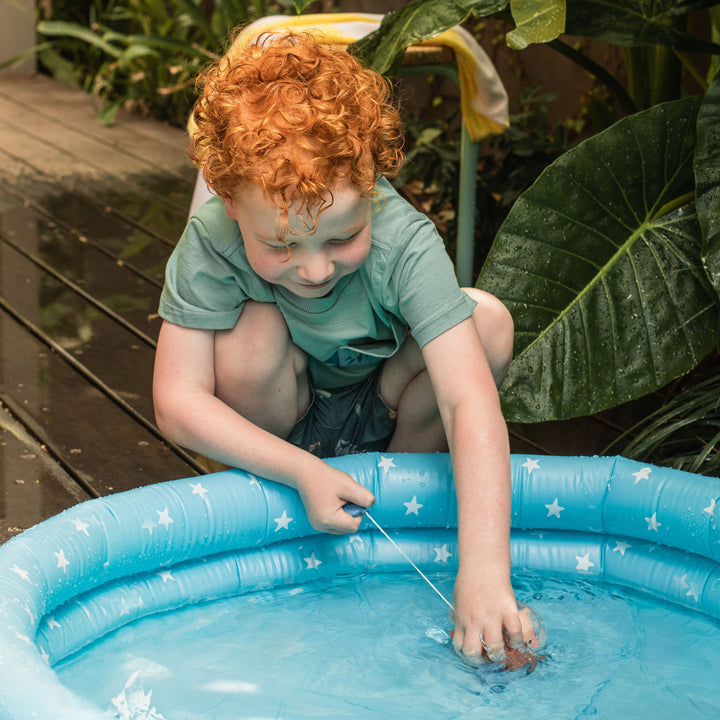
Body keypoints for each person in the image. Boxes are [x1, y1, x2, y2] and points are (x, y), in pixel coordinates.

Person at [153, 31, 524, 665]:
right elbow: (176, 402)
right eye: (281, 246)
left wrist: (486, 571)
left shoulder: (404, 242)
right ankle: (282, 479)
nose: (317, 269)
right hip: (284, 423)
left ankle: (394, 496)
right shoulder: (212, 240)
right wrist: (301, 470)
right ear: (230, 202)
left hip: (381, 402)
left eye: (343, 237)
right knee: (249, 334)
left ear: (372, 182)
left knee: (486, 321)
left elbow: (468, 400)